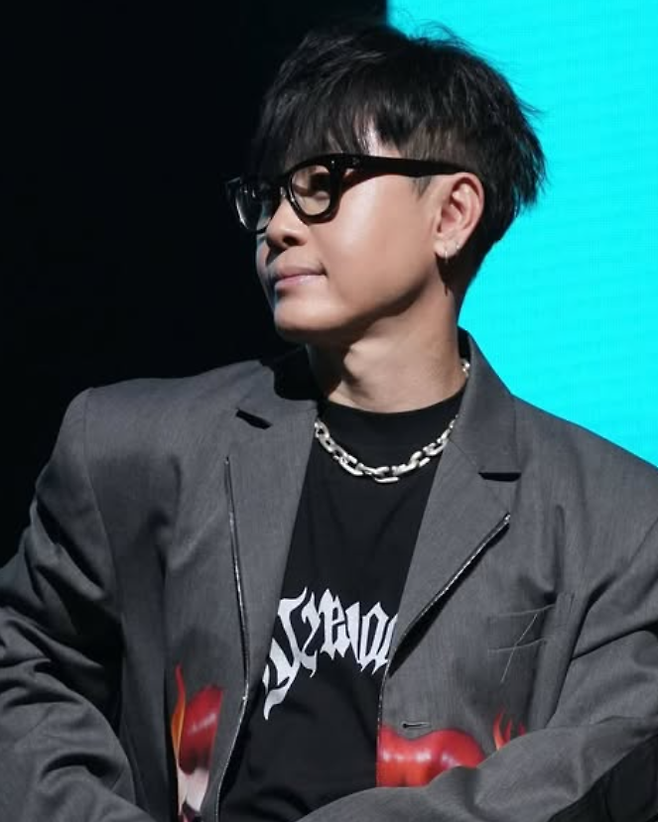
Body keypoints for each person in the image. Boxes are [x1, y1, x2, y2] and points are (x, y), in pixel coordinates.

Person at [1, 20, 657, 822]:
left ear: (452, 214)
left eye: (323, 183)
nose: (279, 225)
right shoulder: (134, 447)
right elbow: (23, 663)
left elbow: (600, 757)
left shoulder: (619, 520)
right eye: (270, 195)